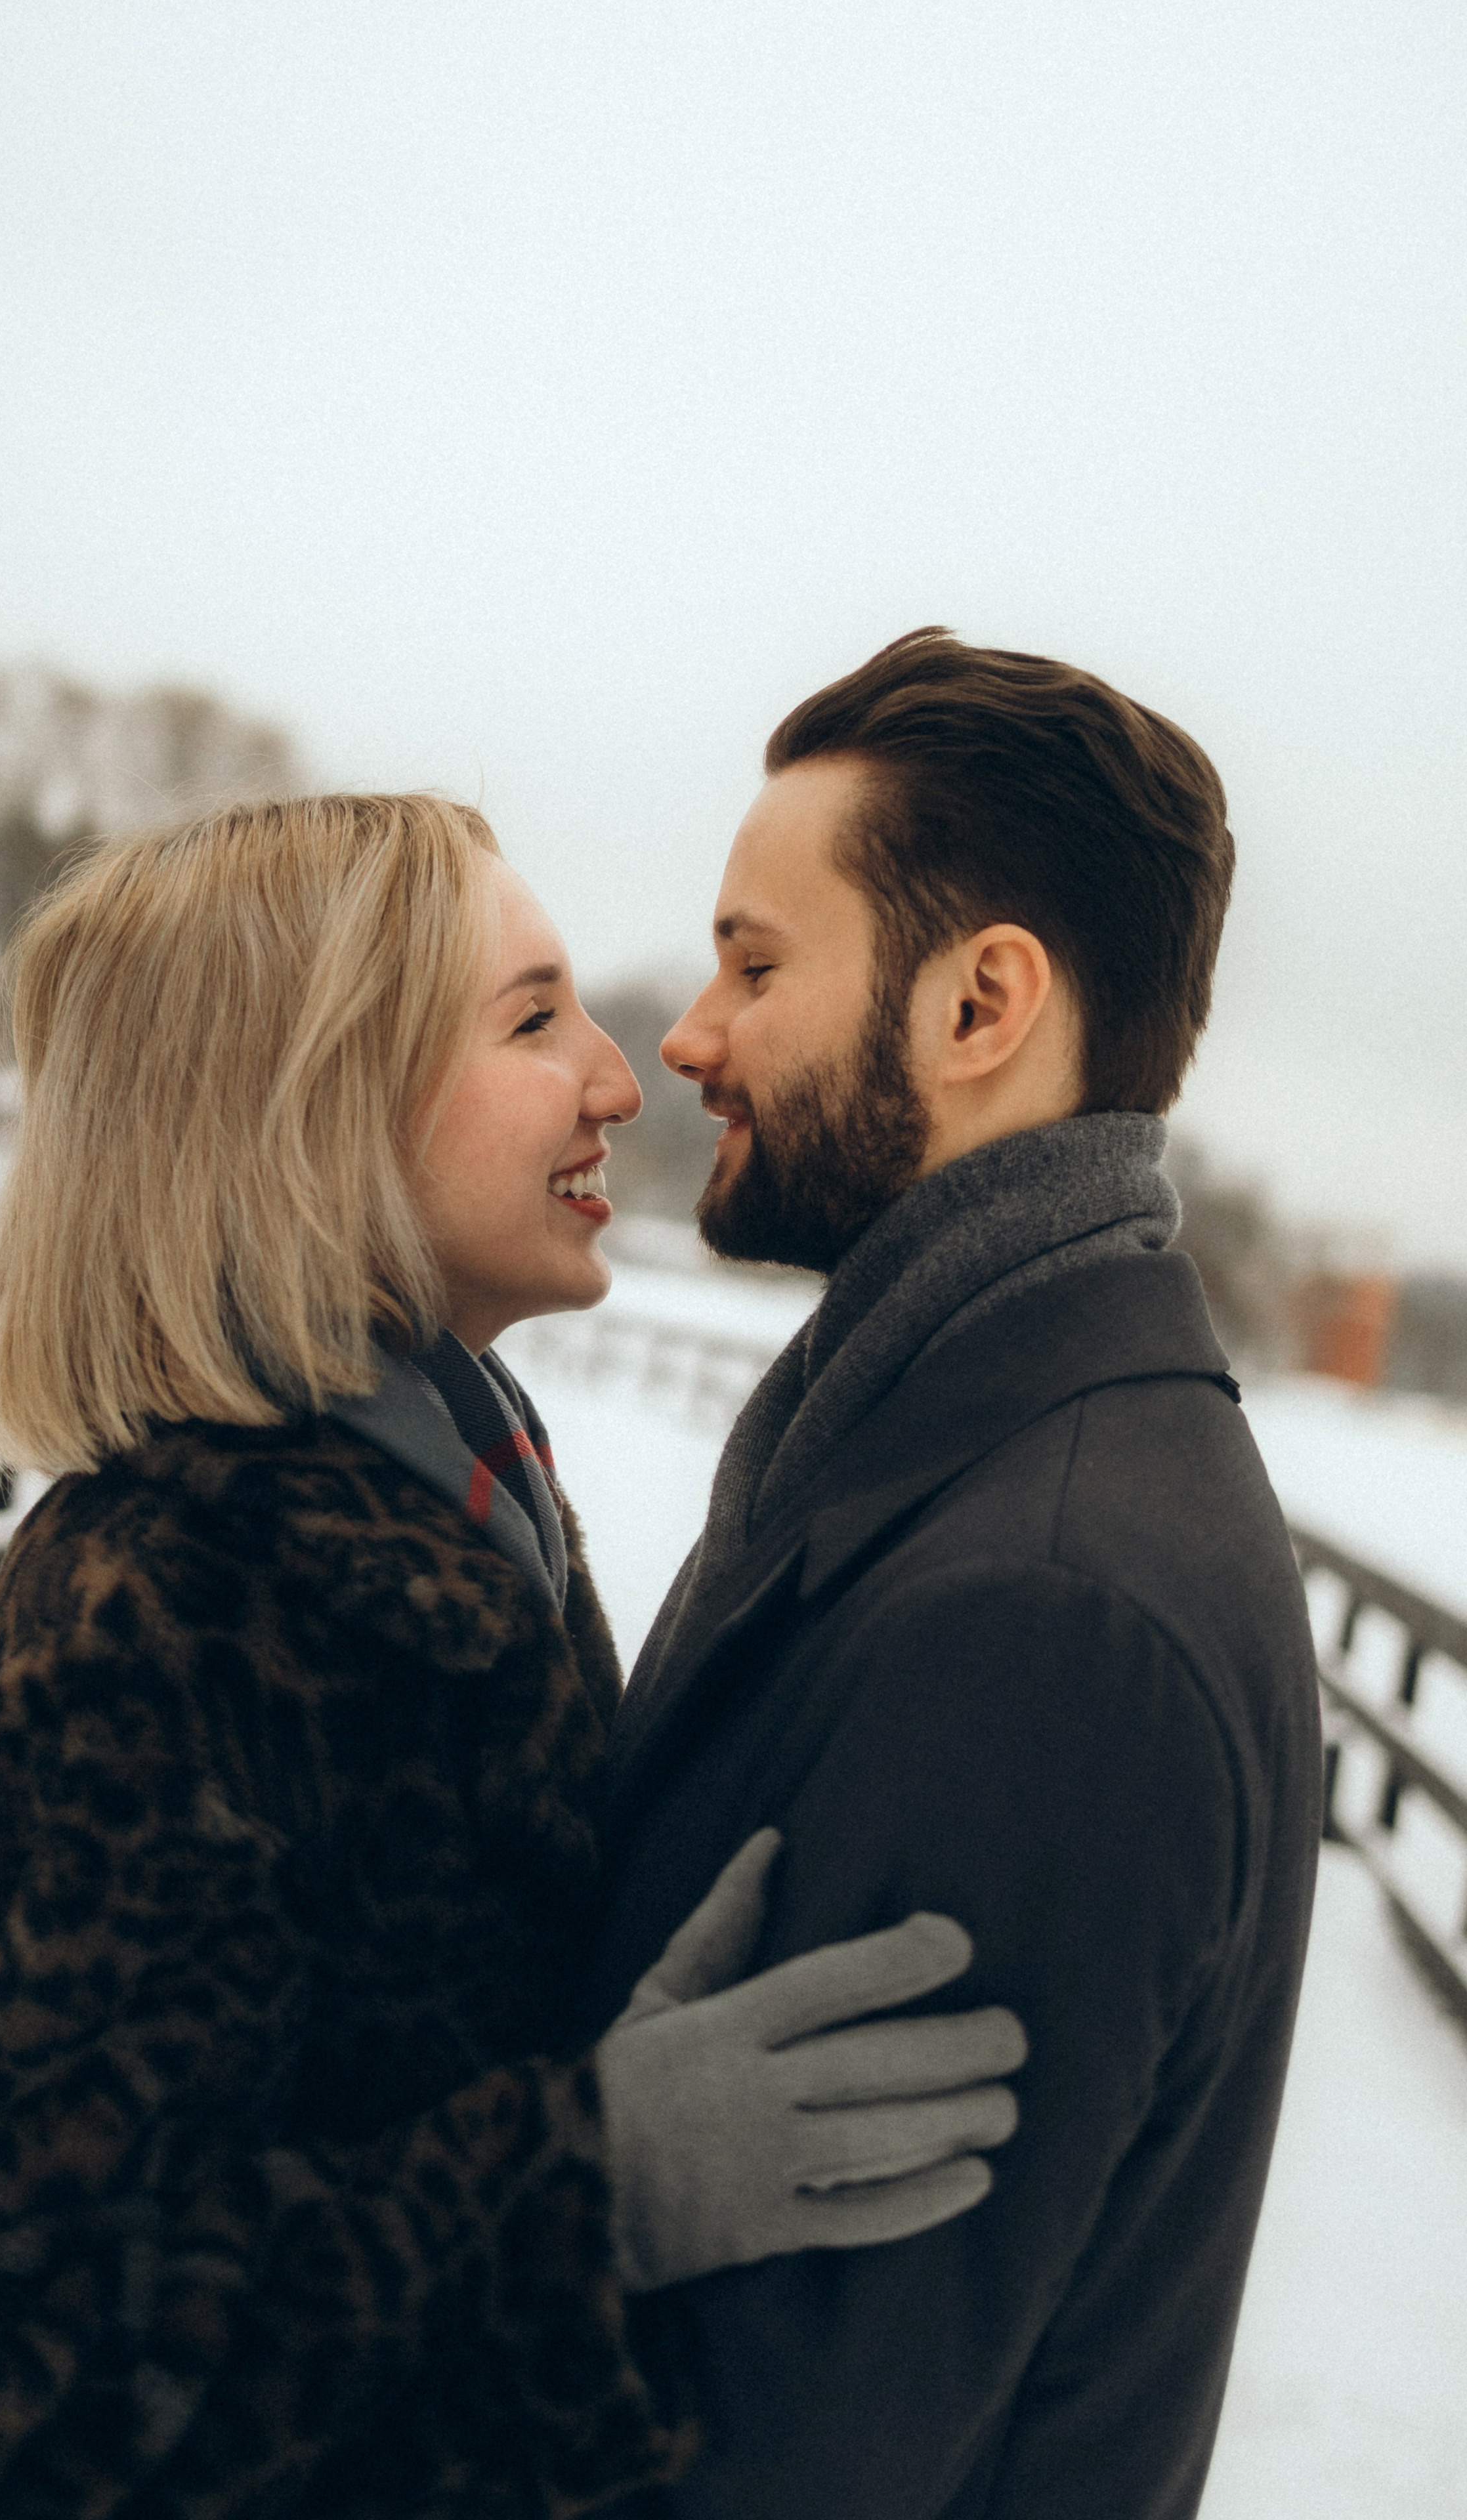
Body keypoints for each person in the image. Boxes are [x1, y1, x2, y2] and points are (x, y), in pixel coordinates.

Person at [0, 792, 1025, 2520]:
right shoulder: (175, 1624)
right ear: (299, 1112)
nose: (620, 1077)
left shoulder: (448, 1513)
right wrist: (594, 2184)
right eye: (533, 1020)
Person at [581, 631, 1323, 2519]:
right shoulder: (966, 1436)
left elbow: (786, 2452)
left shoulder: (1048, 1615)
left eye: (757, 966)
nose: (686, 1035)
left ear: (982, 1001)